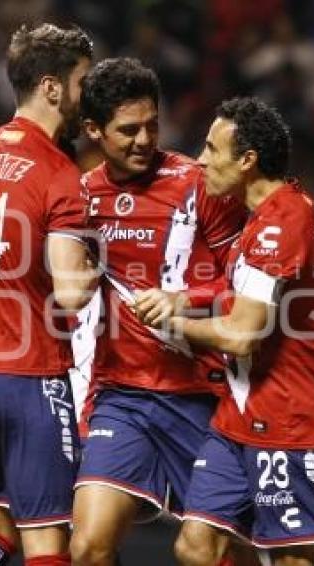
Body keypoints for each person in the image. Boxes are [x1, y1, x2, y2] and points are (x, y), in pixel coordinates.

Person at [135, 97, 314, 566]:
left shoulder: (282, 223)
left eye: (212, 149)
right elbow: (236, 293)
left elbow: (244, 335)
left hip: (286, 416)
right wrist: (183, 298)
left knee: (291, 558)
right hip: (238, 415)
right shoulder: (261, 216)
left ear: (247, 161)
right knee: (196, 546)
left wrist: (172, 324)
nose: (201, 159)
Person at [67, 58, 254, 566]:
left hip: (200, 397)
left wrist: (184, 297)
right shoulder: (80, 198)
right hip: (121, 398)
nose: (144, 139)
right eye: (128, 130)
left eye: (152, 124)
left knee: (223, 553)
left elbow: (248, 287)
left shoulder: (200, 184)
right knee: (86, 548)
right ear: (93, 130)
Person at [0, 23, 97, 566]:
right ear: (53, 88)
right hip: (27, 375)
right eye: (84, 82)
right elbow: (73, 291)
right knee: (48, 543)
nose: (90, 96)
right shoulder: (60, 175)